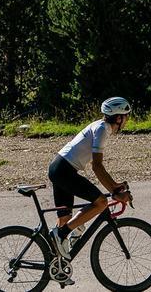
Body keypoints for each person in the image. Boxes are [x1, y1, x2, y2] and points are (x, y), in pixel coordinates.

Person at [47, 97, 133, 261]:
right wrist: (114, 190)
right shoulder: (102, 129)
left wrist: (114, 186)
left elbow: (97, 167)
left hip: (59, 168)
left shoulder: (100, 126)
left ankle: (57, 267)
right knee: (101, 202)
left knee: (65, 219)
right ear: (119, 117)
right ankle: (63, 233)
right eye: (126, 116)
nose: (127, 121)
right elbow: (97, 166)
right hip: (64, 170)